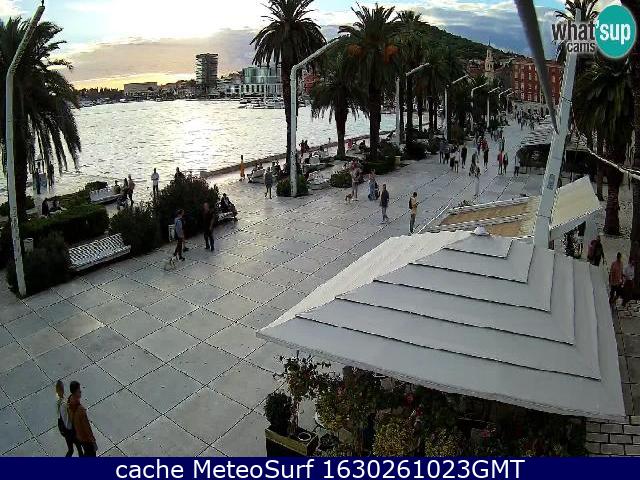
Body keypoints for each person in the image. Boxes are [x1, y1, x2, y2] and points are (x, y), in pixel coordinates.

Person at [68, 381, 96, 457]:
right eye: (78, 391)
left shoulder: (69, 402)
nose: (80, 392)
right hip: (85, 439)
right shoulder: (81, 410)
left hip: (78, 436)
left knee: (86, 453)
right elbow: (87, 428)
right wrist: (93, 441)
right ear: (75, 392)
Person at [56, 381, 82, 457]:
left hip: (65, 430)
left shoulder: (58, 401)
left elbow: (59, 416)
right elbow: (71, 417)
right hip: (71, 430)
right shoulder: (64, 404)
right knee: (79, 448)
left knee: (70, 450)